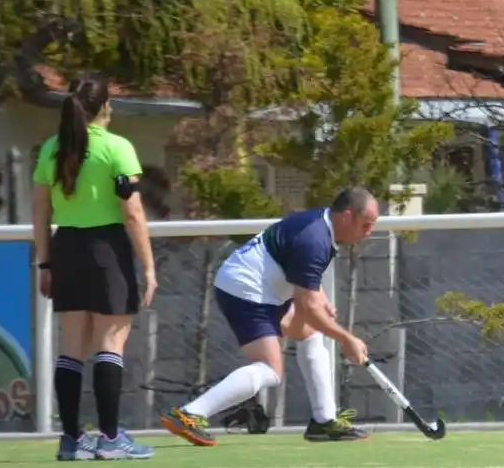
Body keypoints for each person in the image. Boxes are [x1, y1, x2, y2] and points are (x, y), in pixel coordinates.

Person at [159, 187, 379, 446]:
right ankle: (189, 415)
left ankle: (324, 420)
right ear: (347, 217)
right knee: (270, 370)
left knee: (311, 334)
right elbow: (307, 306)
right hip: (247, 290)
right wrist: (346, 339)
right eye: (365, 225)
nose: (368, 233)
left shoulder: (320, 223)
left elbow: (303, 276)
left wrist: (321, 299)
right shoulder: (315, 239)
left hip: (263, 289)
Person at [31, 75, 158, 461]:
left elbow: (40, 211)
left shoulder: (52, 149)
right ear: (106, 107)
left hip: (66, 247)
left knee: (72, 347)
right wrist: (149, 267)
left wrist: (45, 262)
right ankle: (110, 438)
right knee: (110, 343)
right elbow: (132, 211)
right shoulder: (118, 149)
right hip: (107, 249)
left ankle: (70, 440)